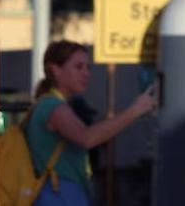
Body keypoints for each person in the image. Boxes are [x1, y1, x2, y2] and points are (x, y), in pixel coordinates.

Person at [26, 41, 157, 206]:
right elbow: (87, 137)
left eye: (88, 68)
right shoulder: (51, 106)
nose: (86, 73)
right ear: (55, 70)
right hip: (57, 197)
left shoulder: (56, 104)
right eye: (78, 67)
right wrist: (135, 110)